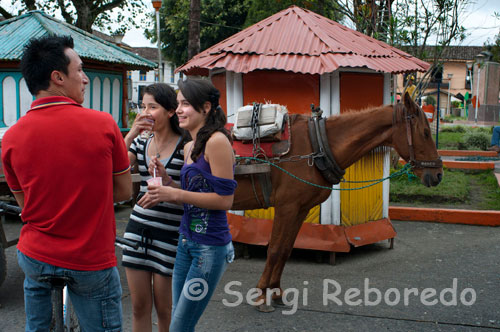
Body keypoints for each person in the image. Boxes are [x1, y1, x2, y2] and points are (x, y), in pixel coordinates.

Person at [1, 35, 132, 331]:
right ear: (57, 77)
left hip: (36, 257)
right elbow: (124, 192)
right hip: (90, 260)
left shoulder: (11, 138)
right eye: (80, 71)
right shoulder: (103, 124)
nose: (85, 79)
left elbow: (26, 205)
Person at [139, 78, 237, 332]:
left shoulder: (217, 141)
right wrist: (168, 180)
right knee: (180, 324)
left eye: (185, 104)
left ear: (205, 107)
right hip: (185, 243)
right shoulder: (189, 146)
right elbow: (192, 192)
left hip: (210, 248)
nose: (179, 109)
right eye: (178, 103)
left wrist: (172, 195)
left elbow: (225, 200)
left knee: (179, 327)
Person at [122, 83, 185, 332]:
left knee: (165, 310)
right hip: (137, 230)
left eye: (153, 107)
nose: (145, 112)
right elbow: (112, 166)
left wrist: (167, 188)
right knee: (138, 307)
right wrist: (130, 135)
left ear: (170, 111)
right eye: (143, 106)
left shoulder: (186, 145)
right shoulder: (140, 144)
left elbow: (194, 195)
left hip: (170, 234)